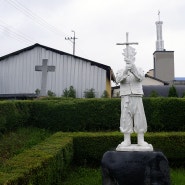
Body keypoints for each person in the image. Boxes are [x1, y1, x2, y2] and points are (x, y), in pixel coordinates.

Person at [116, 46, 149, 147]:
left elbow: (140, 77)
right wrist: (126, 70)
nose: (129, 58)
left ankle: (140, 139)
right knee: (125, 117)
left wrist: (133, 68)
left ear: (134, 57)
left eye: (131, 56)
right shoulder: (121, 70)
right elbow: (118, 79)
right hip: (125, 96)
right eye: (127, 56)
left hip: (137, 96)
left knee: (140, 117)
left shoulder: (139, 69)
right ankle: (127, 140)